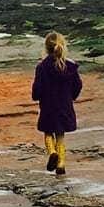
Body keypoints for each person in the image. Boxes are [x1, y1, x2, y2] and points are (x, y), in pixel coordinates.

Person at [32, 31, 82, 177]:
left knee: (48, 132)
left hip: (48, 106)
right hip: (65, 105)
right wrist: (71, 97)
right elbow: (78, 85)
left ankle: (52, 152)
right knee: (60, 135)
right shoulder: (70, 67)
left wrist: (36, 97)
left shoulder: (42, 67)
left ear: (46, 48)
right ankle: (61, 164)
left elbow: (37, 88)